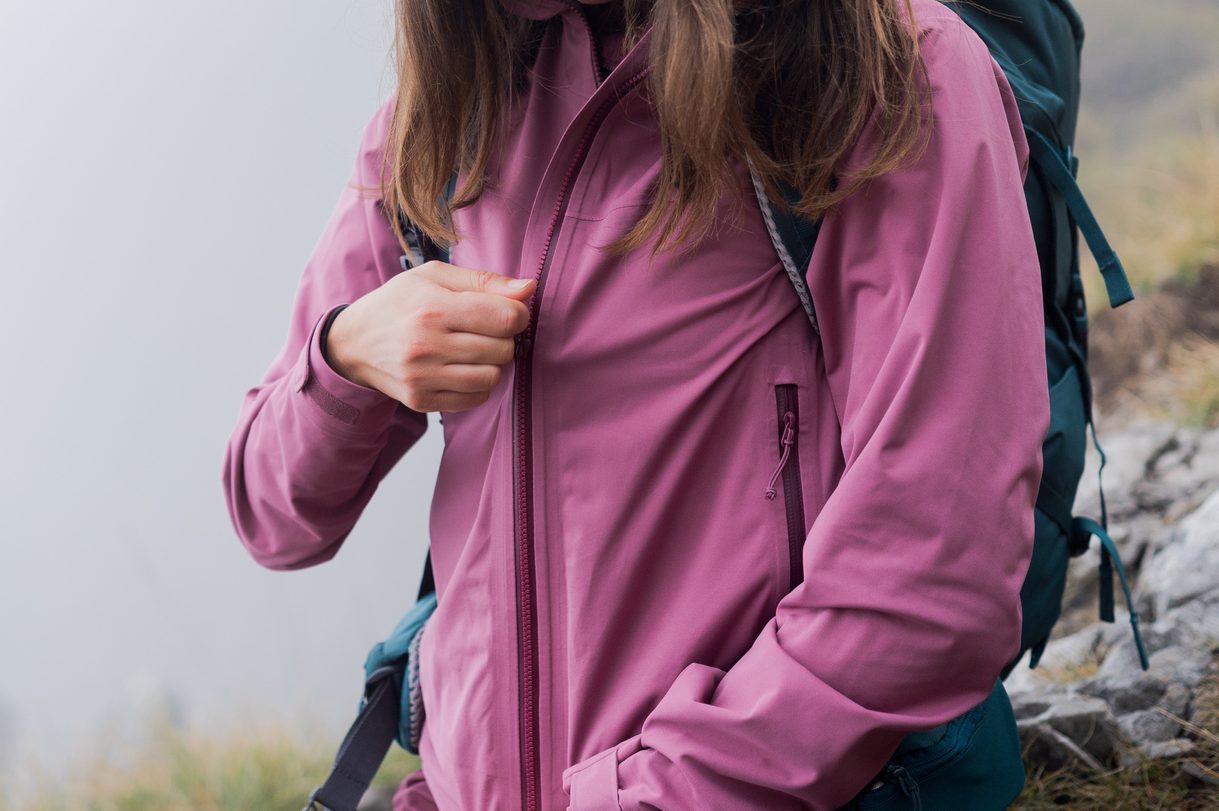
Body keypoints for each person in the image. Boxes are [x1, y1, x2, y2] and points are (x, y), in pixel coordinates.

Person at [221, 0, 1050, 807]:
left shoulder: (880, 69)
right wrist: (344, 359)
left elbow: (936, 564)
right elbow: (273, 514)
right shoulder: (450, 111)